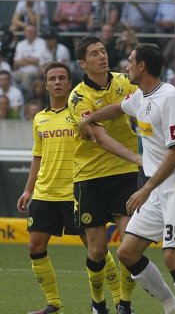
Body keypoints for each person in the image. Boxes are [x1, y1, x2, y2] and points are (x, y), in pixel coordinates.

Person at [78, 43, 175, 314]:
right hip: (157, 187)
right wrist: (87, 119)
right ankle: (172, 307)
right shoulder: (141, 96)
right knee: (127, 252)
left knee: (173, 257)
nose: (126, 66)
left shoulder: (169, 97)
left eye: (131, 61)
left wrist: (146, 188)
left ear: (142, 66)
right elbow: (116, 109)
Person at [16, 62, 121, 314]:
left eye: (62, 78)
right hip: (45, 192)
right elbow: (37, 156)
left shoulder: (80, 112)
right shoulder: (39, 118)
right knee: (35, 246)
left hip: (78, 191)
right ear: (45, 84)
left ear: (69, 83)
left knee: (97, 249)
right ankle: (53, 303)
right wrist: (28, 190)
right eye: (52, 78)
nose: (57, 82)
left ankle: (119, 300)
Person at [68, 36, 142, 314]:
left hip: (124, 174)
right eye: (94, 53)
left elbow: (149, 100)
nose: (102, 56)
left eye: (103, 51)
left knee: (130, 244)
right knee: (97, 250)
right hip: (91, 176)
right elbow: (98, 136)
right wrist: (138, 157)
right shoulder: (78, 97)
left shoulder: (124, 82)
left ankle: (125, 302)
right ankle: (98, 303)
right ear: (82, 63)